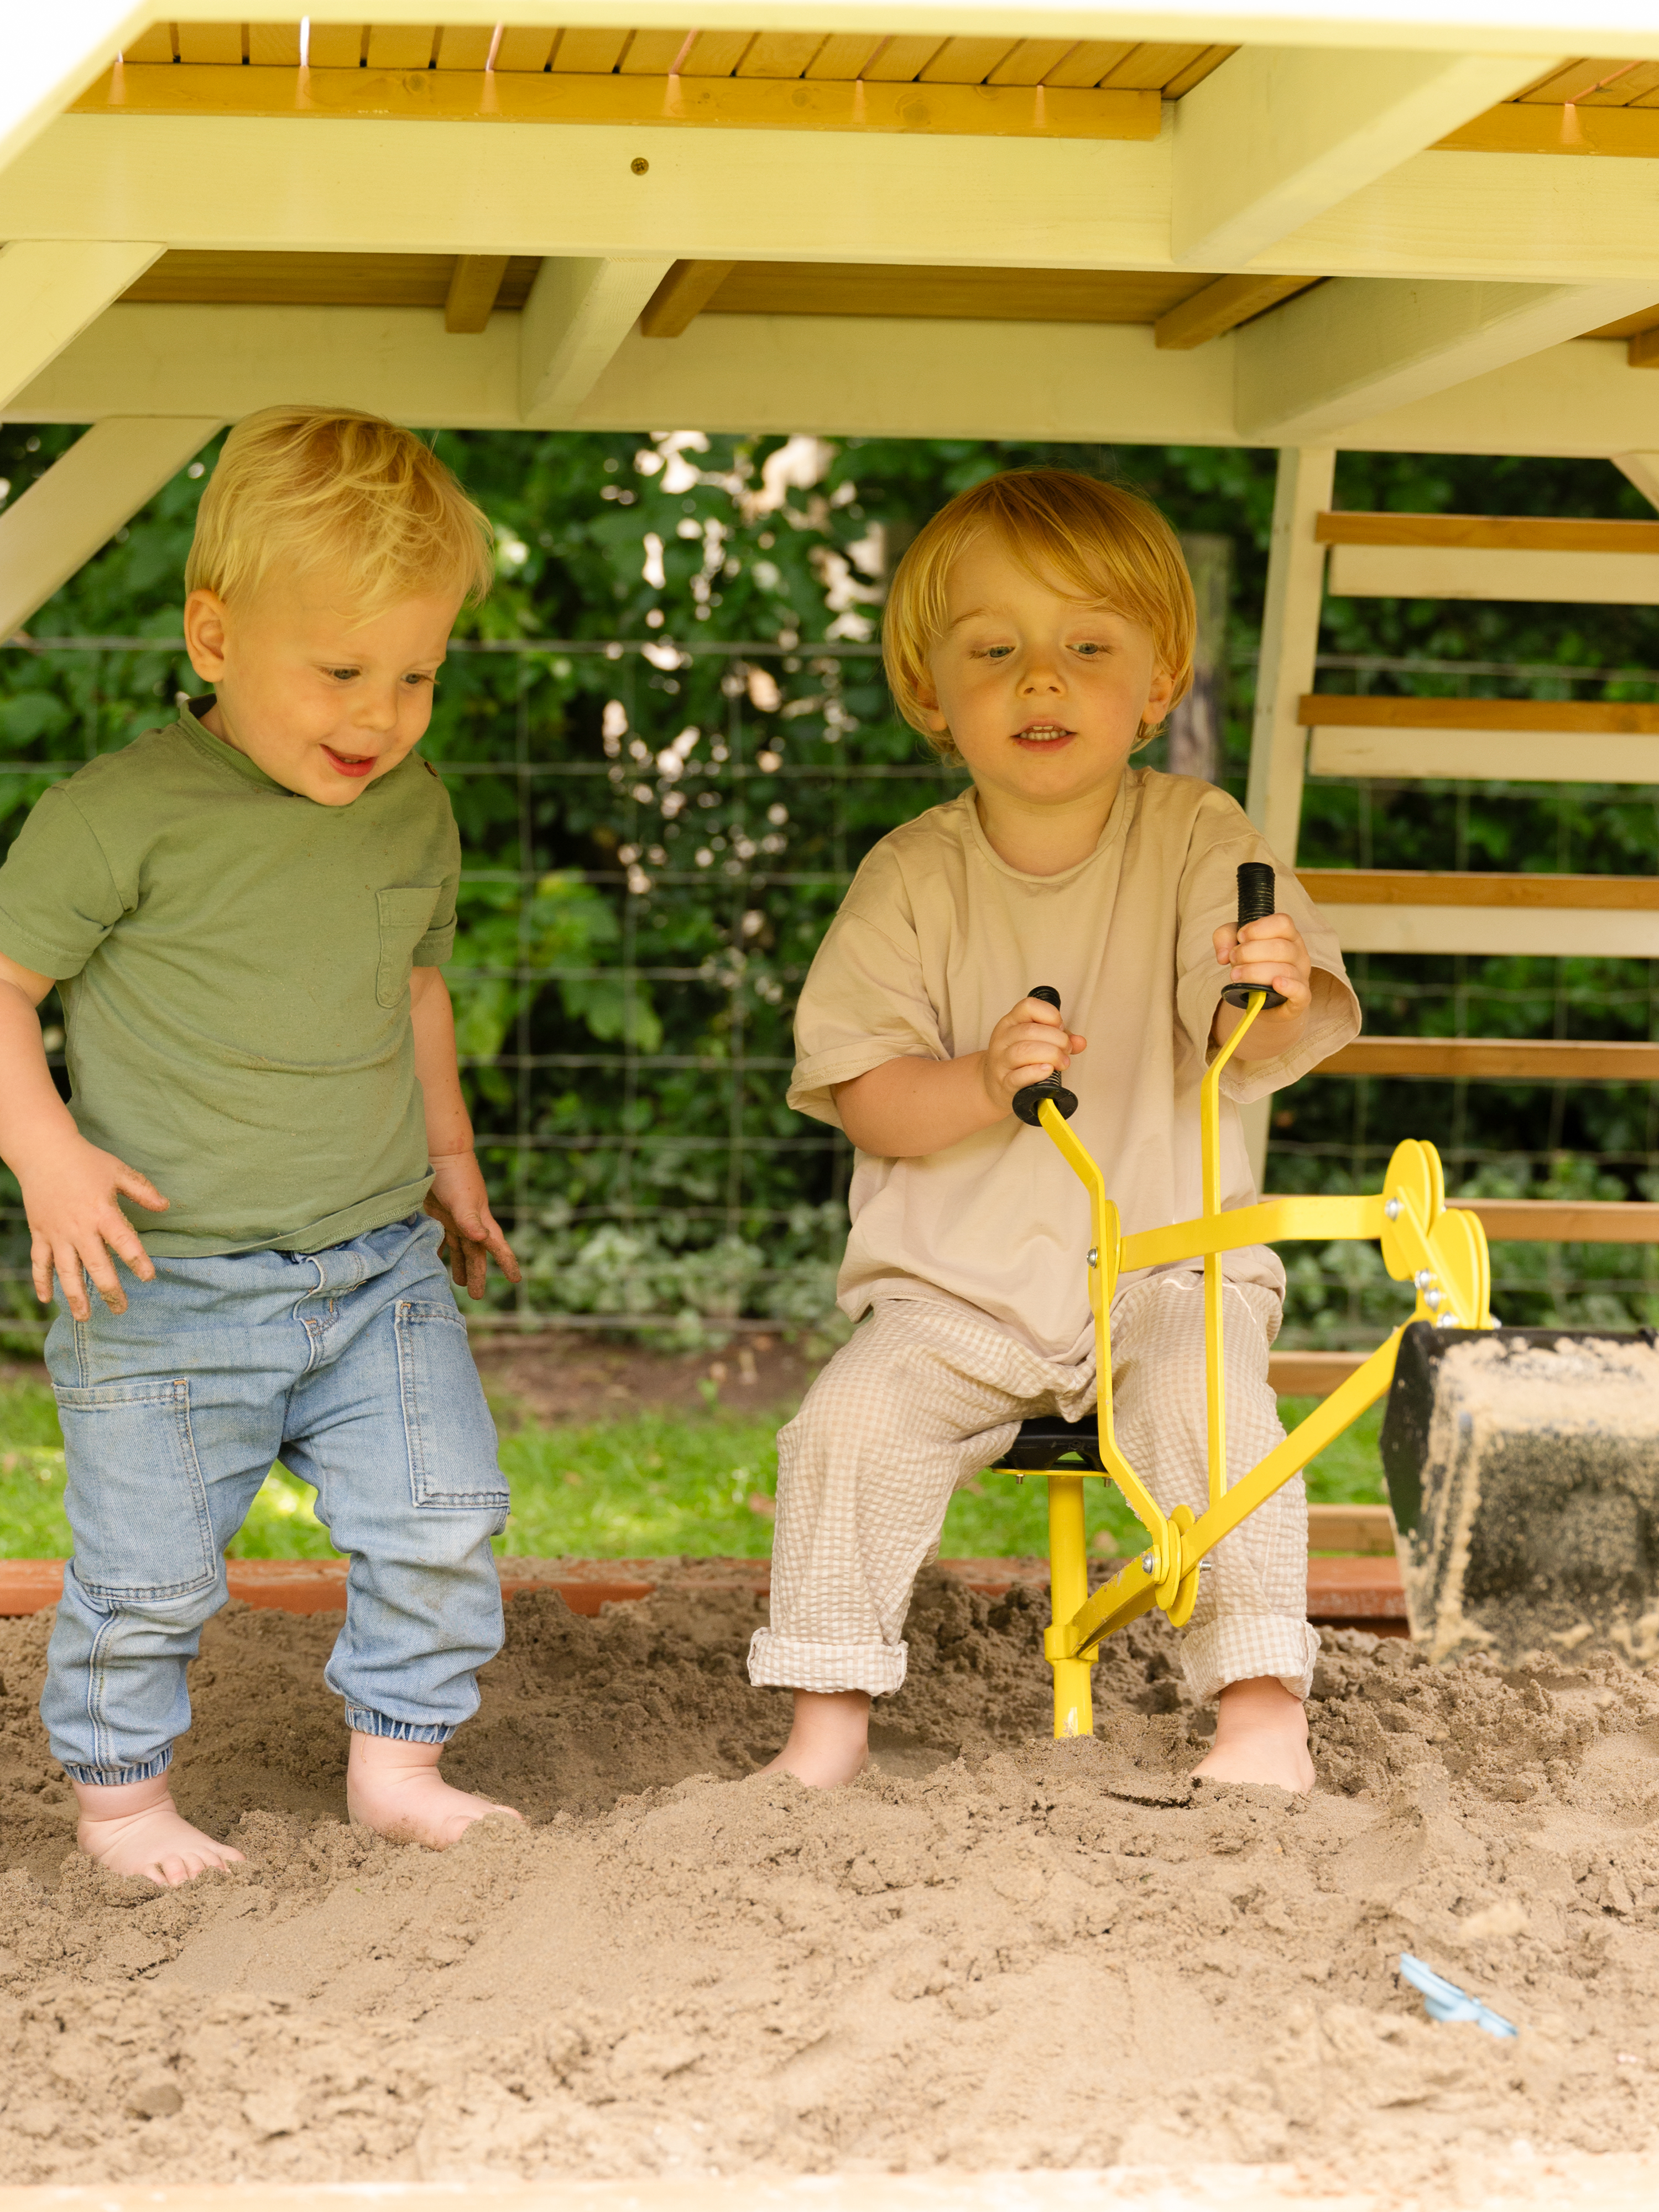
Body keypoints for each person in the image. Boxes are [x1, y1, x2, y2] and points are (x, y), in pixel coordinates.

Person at [750, 467, 1360, 1794]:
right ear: (931, 692)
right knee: (845, 1431)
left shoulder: (1203, 833)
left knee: (1214, 1408)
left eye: (1088, 647)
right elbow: (865, 1091)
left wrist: (1271, 982)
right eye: (995, 649)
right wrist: (976, 1080)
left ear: (1157, 685)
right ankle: (826, 1728)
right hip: (955, 1289)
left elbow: (1250, 1044)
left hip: (1167, 1266)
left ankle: (1261, 1709)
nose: (1042, 680)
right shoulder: (912, 875)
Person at [0, 406, 523, 1885]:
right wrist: (40, 1145)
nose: (383, 713)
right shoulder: (117, 819)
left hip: (374, 1266)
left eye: (417, 673)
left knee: (442, 1513)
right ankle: (122, 1808)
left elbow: (414, 987)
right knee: (151, 1574)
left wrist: (453, 1166)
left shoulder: (408, 811)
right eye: (343, 671)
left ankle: (402, 1766)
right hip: (160, 1286)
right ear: (215, 636)